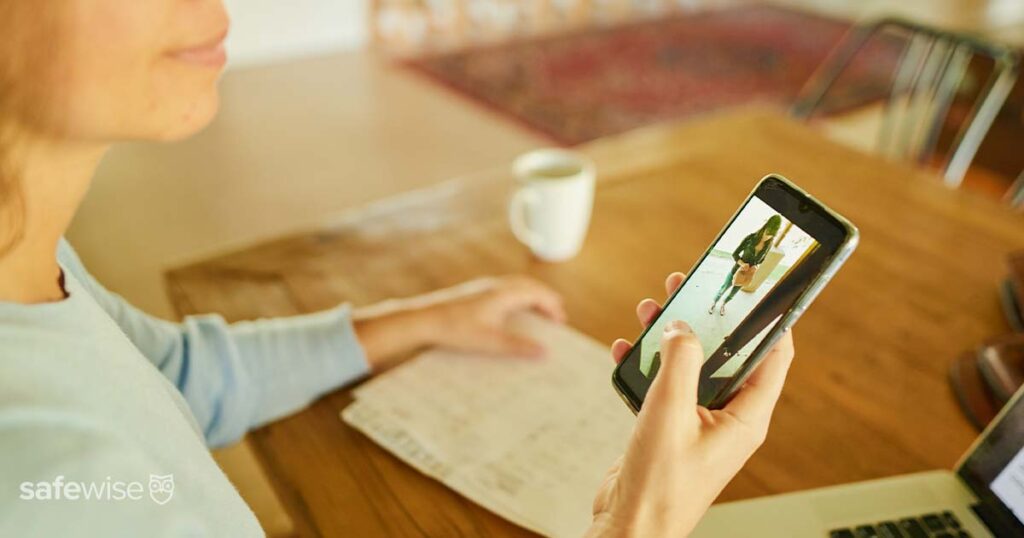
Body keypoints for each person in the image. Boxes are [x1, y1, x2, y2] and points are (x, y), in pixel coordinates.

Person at [0, 2, 795, 536]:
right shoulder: (39, 478)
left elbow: (172, 378)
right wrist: (642, 519)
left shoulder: (28, 253)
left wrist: (430, 319)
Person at [709, 215, 782, 316]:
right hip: (736, 270)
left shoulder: (768, 245)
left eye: (770, 236)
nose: (767, 237)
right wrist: (742, 264)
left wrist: (756, 266)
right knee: (724, 288)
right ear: (764, 228)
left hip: (748, 275)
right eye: (767, 234)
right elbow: (735, 254)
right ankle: (714, 302)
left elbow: (762, 260)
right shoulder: (750, 238)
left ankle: (723, 304)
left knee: (733, 294)